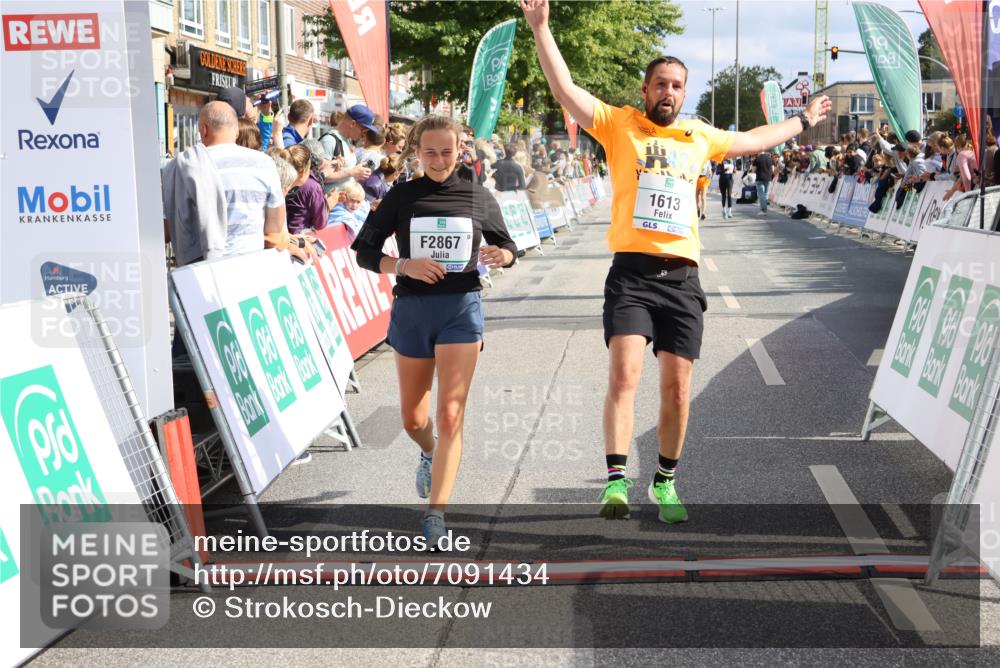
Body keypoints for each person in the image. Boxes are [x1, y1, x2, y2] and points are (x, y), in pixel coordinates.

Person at [521, 0, 830, 523]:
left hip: (682, 279)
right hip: (632, 275)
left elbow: (753, 139)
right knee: (624, 375)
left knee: (678, 388)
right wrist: (541, 28)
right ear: (645, 90)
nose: (668, 92)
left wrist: (802, 120)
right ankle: (615, 481)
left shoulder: (699, 135)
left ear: (685, 94)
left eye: (677, 86)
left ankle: (664, 481)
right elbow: (565, 90)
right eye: (660, 84)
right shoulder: (618, 124)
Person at [350, 114, 518, 548]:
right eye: (430, 153)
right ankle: (428, 450)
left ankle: (436, 513)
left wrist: (503, 255)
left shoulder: (477, 195)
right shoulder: (402, 195)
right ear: (417, 152)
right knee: (414, 419)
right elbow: (364, 252)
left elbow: (508, 245)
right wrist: (403, 264)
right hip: (413, 310)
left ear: (461, 150)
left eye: (447, 152)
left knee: (450, 415)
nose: (440, 161)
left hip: (461, 309)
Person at [162, 101, 292, 266]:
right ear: (236, 131)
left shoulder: (183, 165)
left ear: (204, 129)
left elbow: (165, 231)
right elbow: (274, 232)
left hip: (200, 272)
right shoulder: (265, 163)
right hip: (252, 268)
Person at [319, 104, 380, 191]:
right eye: (364, 131)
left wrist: (357, 172)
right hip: (331, 198)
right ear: (353, 123)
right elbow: (319, 177)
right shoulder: (329, 140)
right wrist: (351, 172)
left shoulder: (346, 141)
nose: (364, 135)